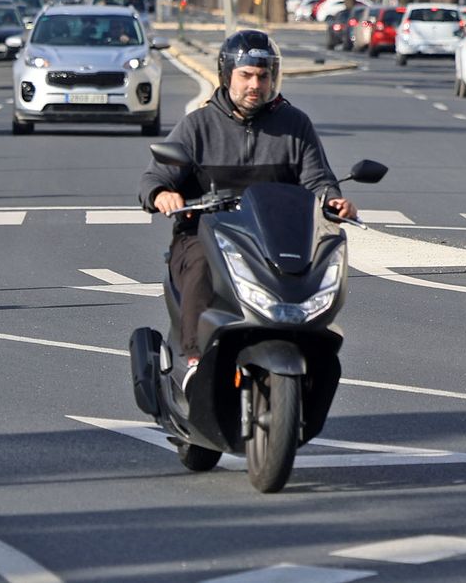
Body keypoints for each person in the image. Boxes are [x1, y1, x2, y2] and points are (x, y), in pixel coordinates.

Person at [138, 30, 357, 391]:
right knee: (201, 266)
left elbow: (318, 179)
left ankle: (310, 351)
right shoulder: (198, 125)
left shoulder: (295, 125)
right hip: (206, 234)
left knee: (314, 266)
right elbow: (155, 176)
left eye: (263, 75)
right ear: (227, 76)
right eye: (246, 75)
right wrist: (161, 193)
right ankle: (193, 361)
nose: (255, 84)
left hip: (271, 238)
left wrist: (332, 200)